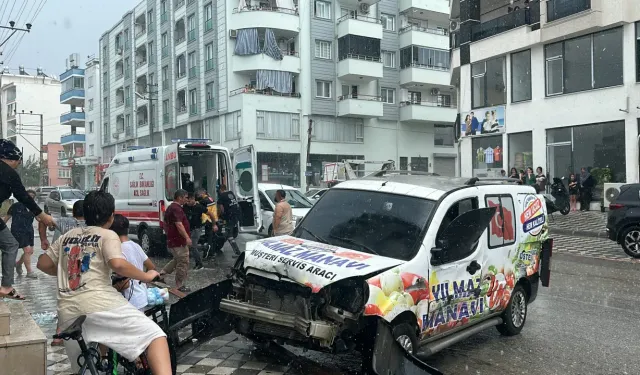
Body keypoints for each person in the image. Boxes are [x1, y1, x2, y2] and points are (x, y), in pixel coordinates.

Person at [36, 191, 171, 375]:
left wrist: (67, 272)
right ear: (111, 215)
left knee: (84, 369)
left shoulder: (67, 236)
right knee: (156, 337)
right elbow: (117, 264)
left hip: (67, 313)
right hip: (101, 305)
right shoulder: (107, 235)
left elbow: (42, 263)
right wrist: (147, 276)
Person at [0, 139, 54, 300]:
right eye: (18, 161)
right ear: (9, 159)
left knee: (10, 244)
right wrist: (42, 215)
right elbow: (22, 196)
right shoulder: (8, 172)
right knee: (10, 245)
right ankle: (6, 287)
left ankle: (6, 286)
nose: (18, 164)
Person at [39, 200, 86, 346]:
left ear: (73, 213)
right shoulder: (91, 225)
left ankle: (58, 335)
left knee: (65, 298)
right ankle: (77, 330)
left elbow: (42, 219)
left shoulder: (65, 221)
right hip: (83, 267)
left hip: (63, 264)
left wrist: (43, 239)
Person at [110, 214, 156, 310]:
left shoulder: (117, 249)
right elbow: (151, 267)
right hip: (141, 297)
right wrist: (143, 280)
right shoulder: (136, 246)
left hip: (128, 301)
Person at [159, 189, 191, 292]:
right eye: (186, 197)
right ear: (180, 197)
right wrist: (186, 237)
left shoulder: (171, 208)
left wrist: (169, 234)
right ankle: (179, 285)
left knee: (177, 260)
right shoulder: (176, 208)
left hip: (174, 240)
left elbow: (165, 223)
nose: (187, 200)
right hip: (179, 242)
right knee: (183, 261)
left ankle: (161, 275)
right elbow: (179, 224)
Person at [3, 189, 38, 279]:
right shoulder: (15, 206)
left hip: (29, 231)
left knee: (30, 251)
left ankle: (18, 264)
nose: (30, 198)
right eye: (28, 196)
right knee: (27, 250)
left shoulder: (33, 207)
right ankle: (29, 272)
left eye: (32, 196)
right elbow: (6, 219)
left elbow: (39, 218)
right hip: (17, 231)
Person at [183, 192, 207, 269]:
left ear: (193, 199)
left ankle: (200, 264)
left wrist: (214, 224)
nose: (187, 203)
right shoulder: (185, 206)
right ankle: (204, 247)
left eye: (189, 201)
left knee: (193, 246)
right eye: (186, 201)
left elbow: (211, 214)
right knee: (189, 246)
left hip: (197, 228)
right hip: (189, 229)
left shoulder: (199, 207)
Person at [217, 184, 242, 256]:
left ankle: (237, 252)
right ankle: (219, 244)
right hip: (235, 216)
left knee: (229, 235)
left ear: (220, 190)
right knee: (228, 233)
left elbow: (221, 209)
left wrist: (220, 215)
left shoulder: (221, 196)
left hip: (229, 216)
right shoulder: (231, 193)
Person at [195, 189, 219, 258]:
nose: (198, 196)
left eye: (198, 194)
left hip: (209, 220)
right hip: (214, 219)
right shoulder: (210, 198)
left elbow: (197, 205)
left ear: (202, 193)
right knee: (211, 238)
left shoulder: (203, 201)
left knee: (209, 238)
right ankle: (212, 252)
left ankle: (208, 254)